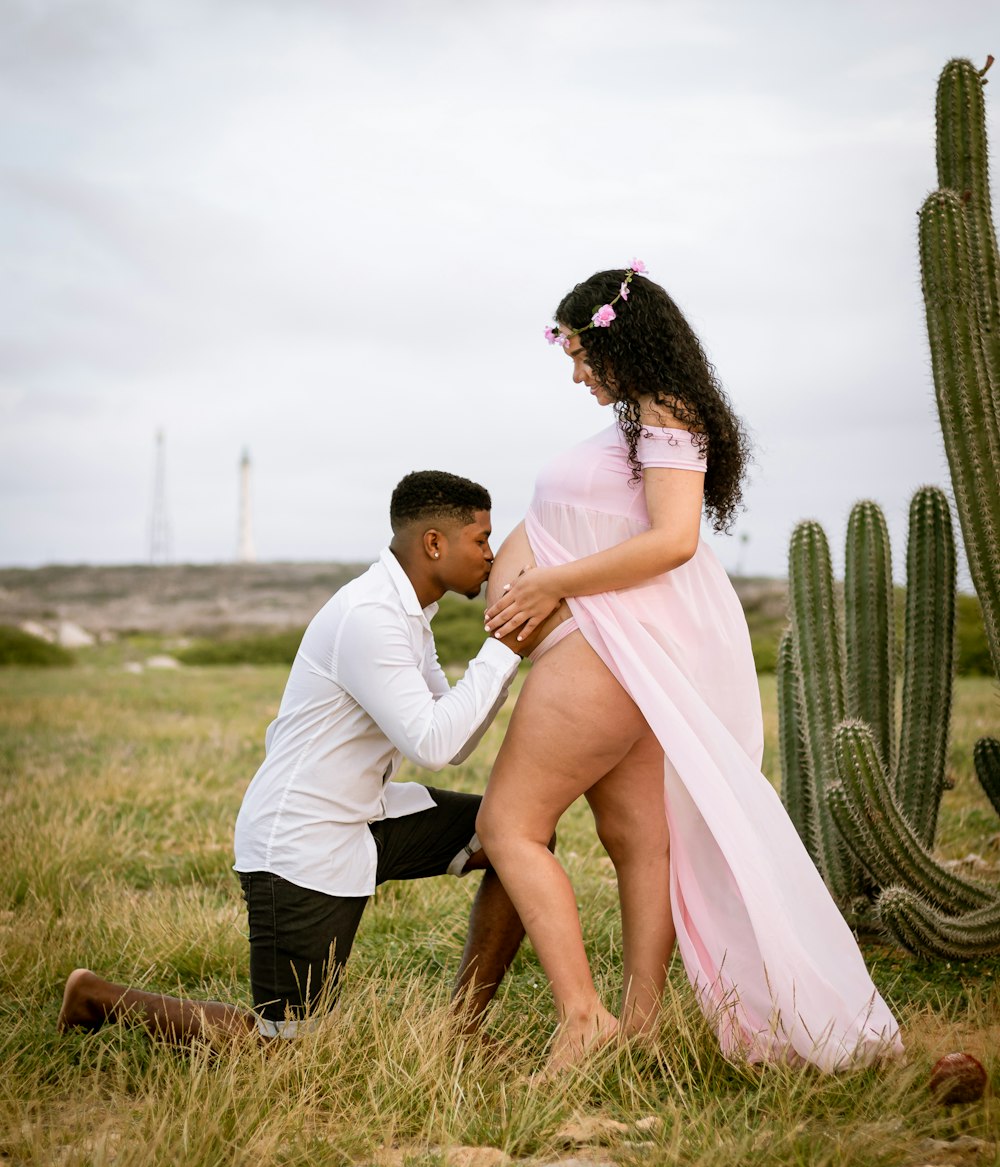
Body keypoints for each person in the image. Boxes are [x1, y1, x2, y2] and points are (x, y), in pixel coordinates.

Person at [478, 262, 902, 1074]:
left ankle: (583, 1017)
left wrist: (551, 585)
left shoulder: (667, 414)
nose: (574, 375)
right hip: (607, 644)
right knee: (637, 836)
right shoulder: (638, 420)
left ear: (619, 340)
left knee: (508, 827)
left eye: (579, 355)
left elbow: (673, 540)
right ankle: (640, 1024)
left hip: (605, 644)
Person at [59, 471, 533, 1045]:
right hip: (300, 843)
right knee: (284, 1050)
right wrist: (504, 645)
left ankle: (464, 1030)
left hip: (364, 817)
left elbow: (449, 730)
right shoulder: (371, 616)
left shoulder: (410, 619)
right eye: (481, 540)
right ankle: (95, 998)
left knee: (517, 834)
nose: (490, 556)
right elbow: (436, 745)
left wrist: (508, 647)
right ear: (435, 544)